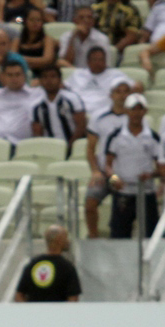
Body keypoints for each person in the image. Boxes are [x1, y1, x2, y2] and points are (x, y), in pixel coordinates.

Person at [104, 94, 163, 239]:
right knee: (119, 235)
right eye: (133, 109)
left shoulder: (153, 137)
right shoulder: (116, 136)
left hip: (146, 193)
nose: (136, 113)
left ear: (145, 111)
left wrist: (151, 175)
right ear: (126, 111)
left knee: (151, 236)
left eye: (139, 109)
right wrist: (114, 179)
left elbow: (161, 167)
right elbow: (107, 165)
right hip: (123, 193)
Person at [84, 78, 130, 238]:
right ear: (111, 94)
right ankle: (93, 236)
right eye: (118, 91)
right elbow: (90, 148)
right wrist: (96, 171)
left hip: (125, 173)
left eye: (126, 91)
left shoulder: (134, 118)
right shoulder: (99, 117)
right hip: (105, 172)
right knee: (90, 203)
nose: (122, 96)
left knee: (122, 209)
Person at [0, 60, 43, 148]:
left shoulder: (35, 94)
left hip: (21, 144)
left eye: (17, 74)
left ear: (24, 76)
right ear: (4, 77)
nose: (14, 78)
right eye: (10, 75)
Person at [63, 46, 138, 116]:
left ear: (106, 61)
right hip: (77, 113)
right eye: (95, 60)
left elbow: (137, 86)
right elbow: (63, 87)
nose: (98, 63)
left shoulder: (115, 74)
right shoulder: (78, 74)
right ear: (88, 62)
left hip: (104, 113)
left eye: (101, 60)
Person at [15, 225, 81, 301]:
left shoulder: (33, 264)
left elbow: (19, 295)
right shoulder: (67, 267)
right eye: (66, 238)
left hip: (34, 312)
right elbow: (73, 298)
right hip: (58, 312)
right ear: (59, 240)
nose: (68, 241)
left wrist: (28, 312)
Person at [31, 66, 86, 155]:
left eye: (53, 76)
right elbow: (38, 133)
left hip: (74, 147)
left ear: (60, 80)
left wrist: (69, 147)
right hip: (50, 150)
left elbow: (81, 125)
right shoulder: (35, 106)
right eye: (45, 77)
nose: (49, 80)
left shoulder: (72, 99)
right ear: (40, 81)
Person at [10, 7, 56, 77]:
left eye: (38, 20)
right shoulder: (17, 39)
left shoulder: (47, 39)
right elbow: (12, 59)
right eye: (31, 20)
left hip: (42, 76)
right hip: (20, 75)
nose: (35, 23)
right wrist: (38, 62)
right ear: (25, 21)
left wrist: (21, 59)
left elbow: (47, 60)